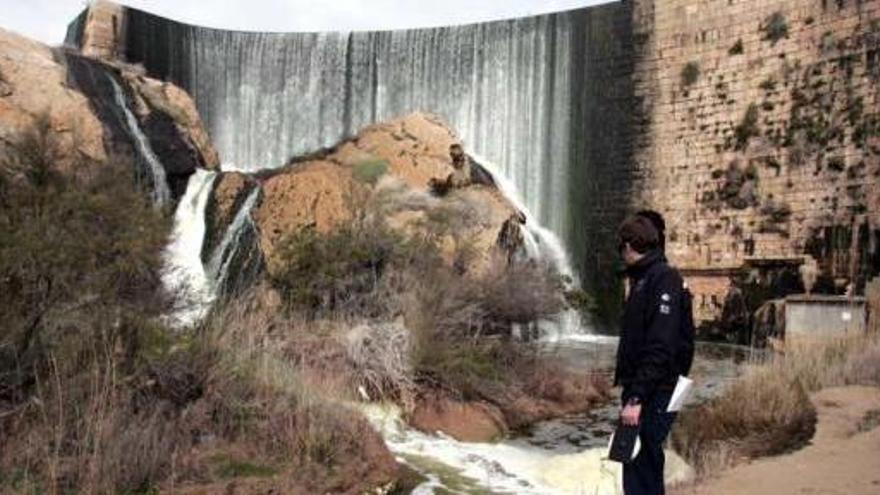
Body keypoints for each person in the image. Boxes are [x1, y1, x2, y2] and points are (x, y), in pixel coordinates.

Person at [614, 214, 694, 495]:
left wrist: (636, 397)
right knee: (640, 459)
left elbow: (661, 345)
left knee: (642, 459)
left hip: (655, 391)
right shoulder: (646, 278)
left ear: (627, 246)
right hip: (651, 388)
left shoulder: (662, 279)